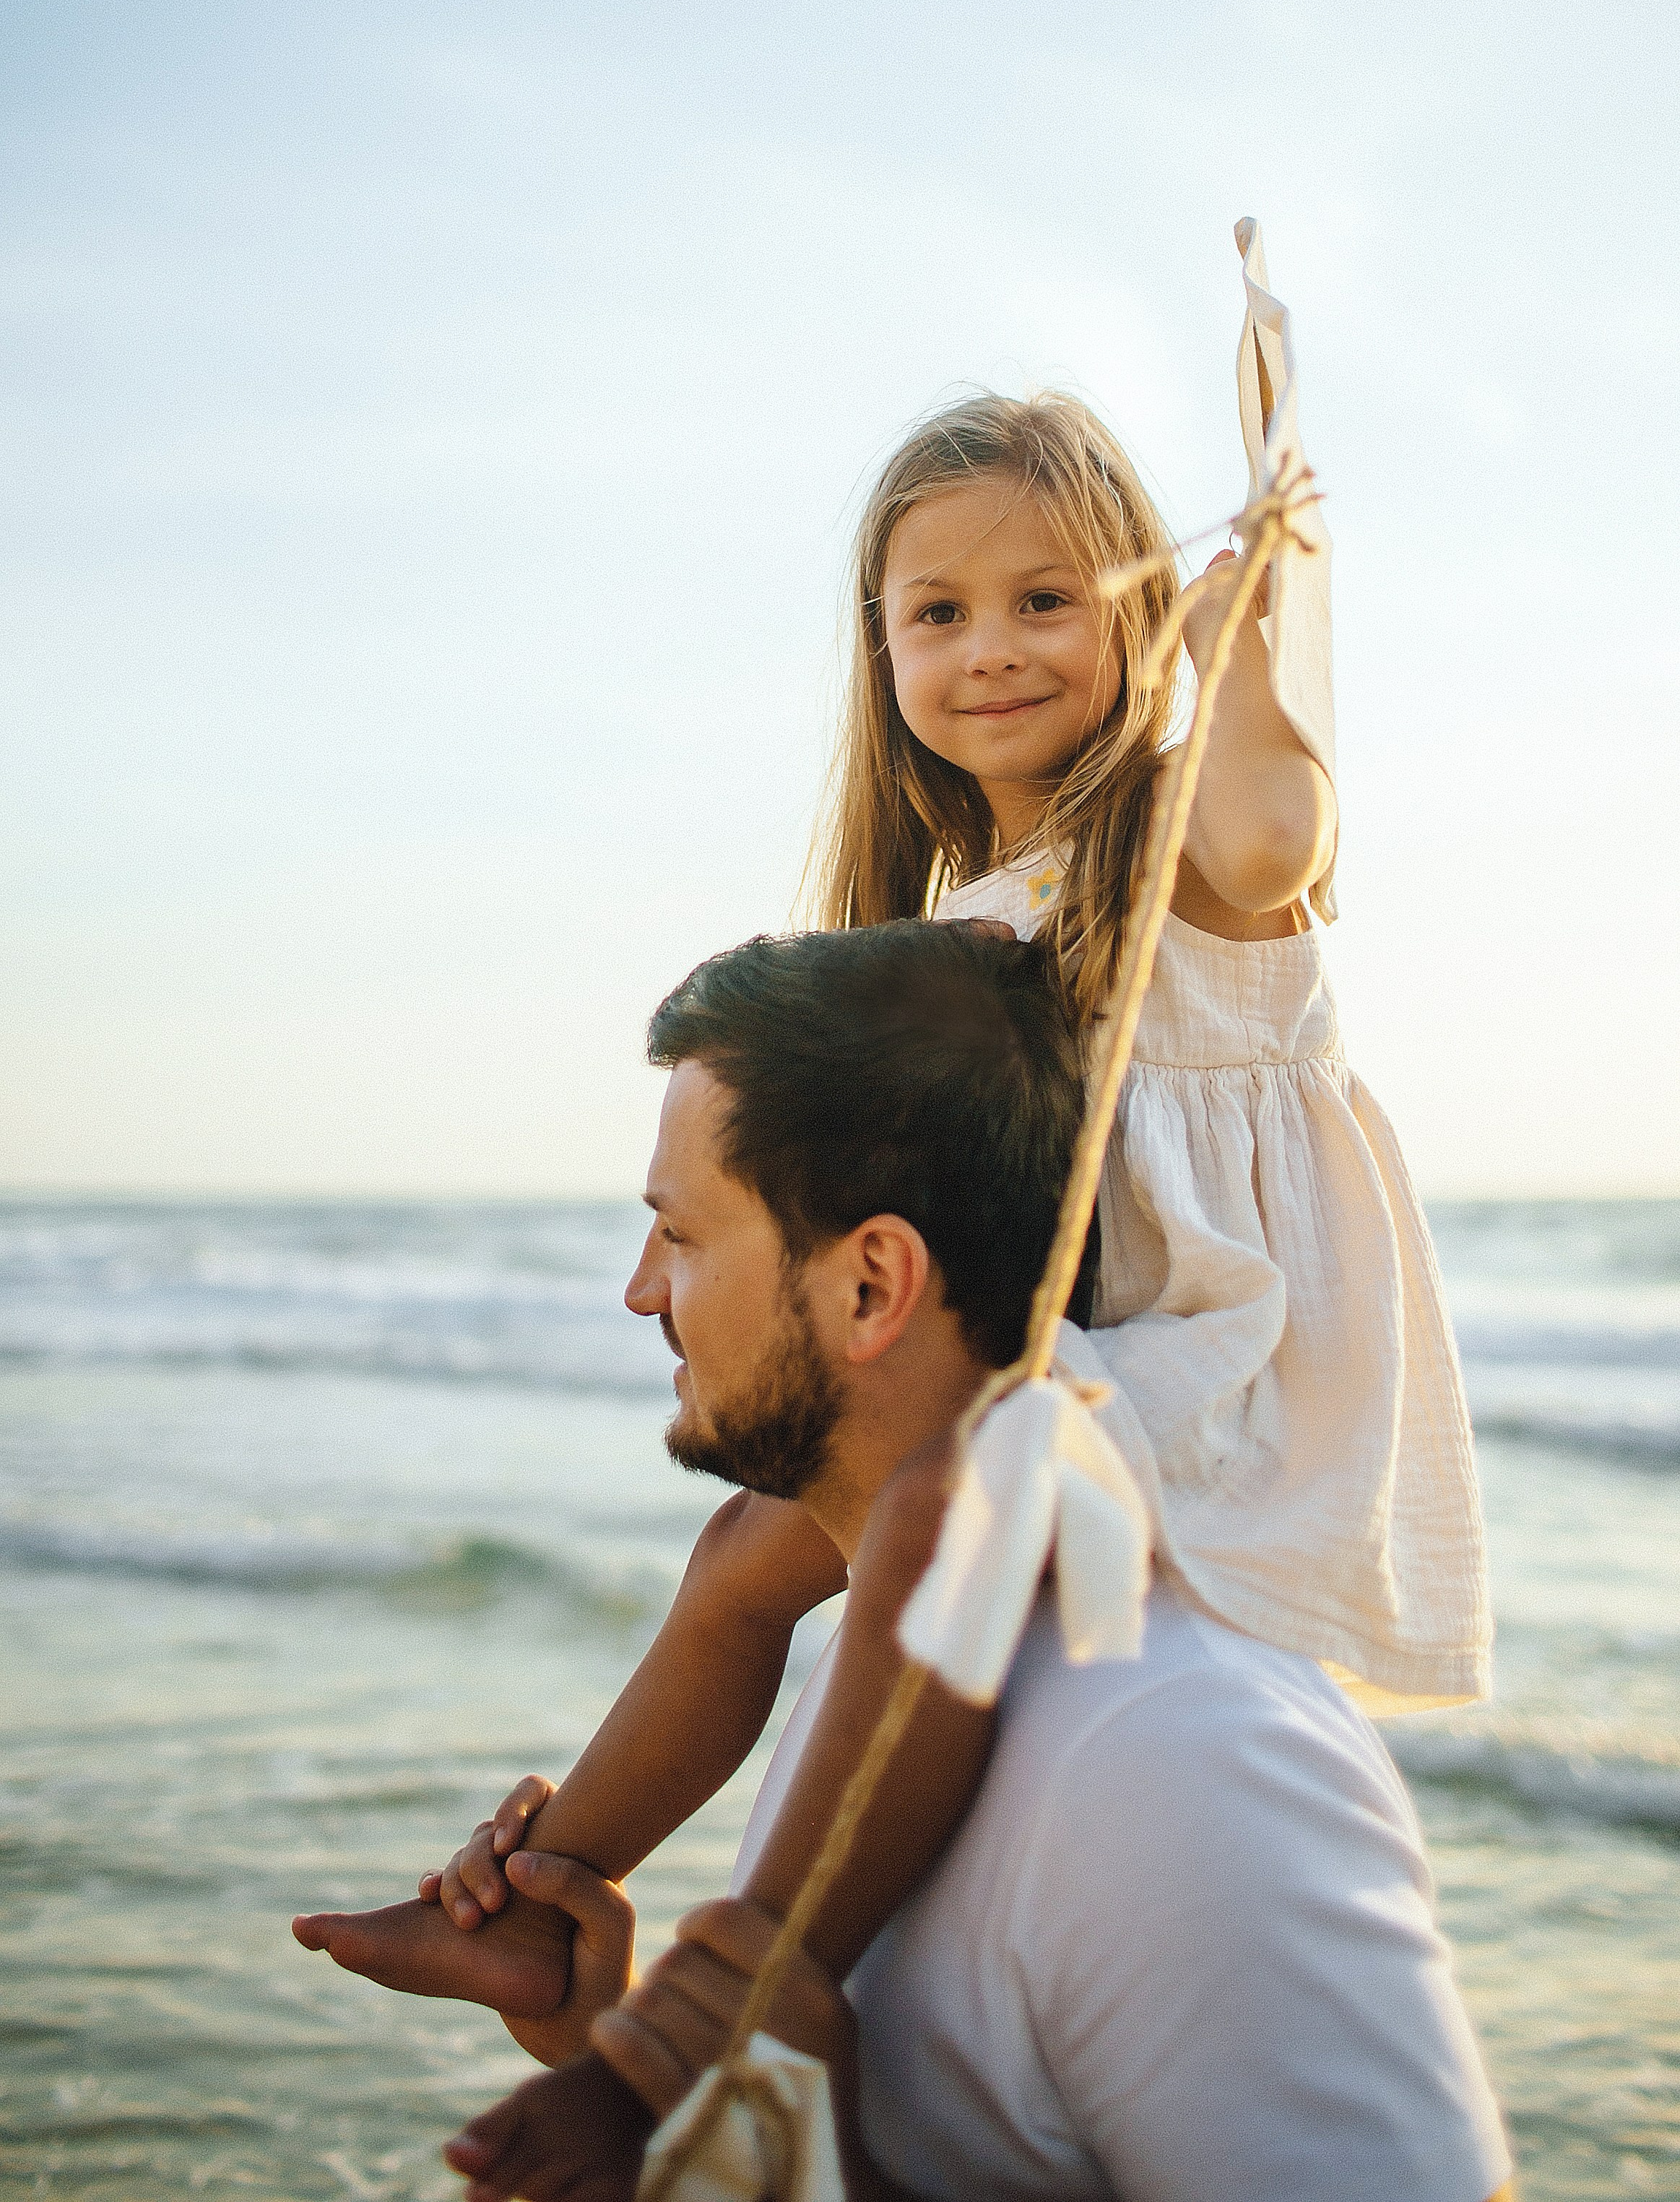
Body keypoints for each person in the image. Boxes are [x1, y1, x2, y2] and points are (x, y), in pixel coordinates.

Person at [295, 384, 1489, 2045]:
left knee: (933, 1520)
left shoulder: (1169, 851)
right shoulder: (949, 927)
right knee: (735, 1564)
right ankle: (533, 1893)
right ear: (882, 646)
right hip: (1028, 1361)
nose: (990, 645)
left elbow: (1275, 824)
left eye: (1046, 599)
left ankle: (756, 1974)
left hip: (1190, 1377)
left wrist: (1235, 655)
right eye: (938, 612)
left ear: (1135, 607)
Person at [434, 923, 1512, 2202]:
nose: (639, 1291)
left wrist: (801, 2174)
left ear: (873, 1282)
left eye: (681, 1234)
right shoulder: (875, 1681)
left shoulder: (1177, 1763)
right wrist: (671, 2107)